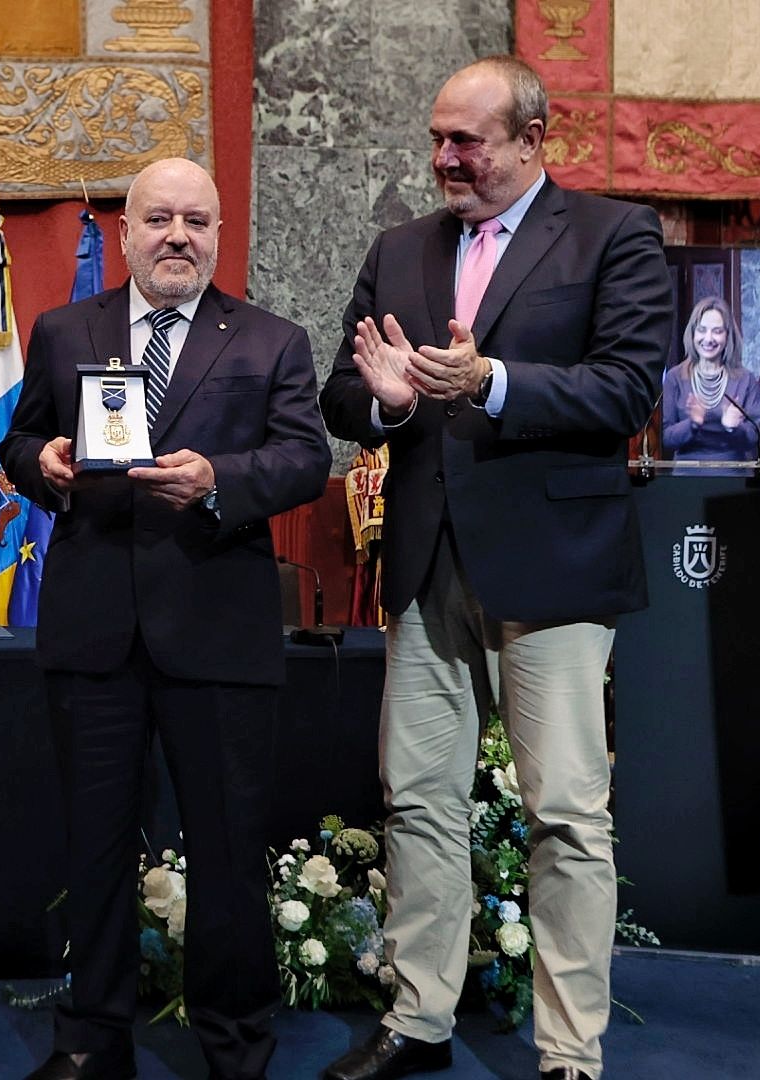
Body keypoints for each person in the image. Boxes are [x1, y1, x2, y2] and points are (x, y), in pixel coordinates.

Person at [318, 56, 671, 1080]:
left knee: (565, 811)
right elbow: (345, 395)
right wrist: (384, 402)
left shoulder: (614, 235)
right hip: (427, 561)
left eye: (466, 141)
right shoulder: (399, 249)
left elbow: (622, 390)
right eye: (438, 138)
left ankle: (568, 1052)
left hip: (555, 564)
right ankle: (419, 1020)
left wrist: (496, 381)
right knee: (418, 799)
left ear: (531, 138)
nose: (445, 158)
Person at [0, 156, 331, 1080]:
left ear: (219, 234)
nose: (179, 236)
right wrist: (45, 465)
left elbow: (304, 457)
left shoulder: (271, 340)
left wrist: (220, 480)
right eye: (160, 220)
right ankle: (90, 1040)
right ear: (130, 229)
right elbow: (18, 439)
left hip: (218, 634)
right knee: (95, 851)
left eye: (197, 221)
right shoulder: (66, 329)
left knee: (227, 853)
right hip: (93, 632)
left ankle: (234, 1045)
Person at [661, 296, 760, 469]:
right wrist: (692, 424)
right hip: (687, 475)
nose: (708, 338)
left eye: (717, 331)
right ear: (692, 333)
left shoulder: (745, 379)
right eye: (702, 330)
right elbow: (666, 439)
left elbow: (755, 437)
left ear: (728, 336)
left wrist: (734, 428)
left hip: (733, 475)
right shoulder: (674, 377)